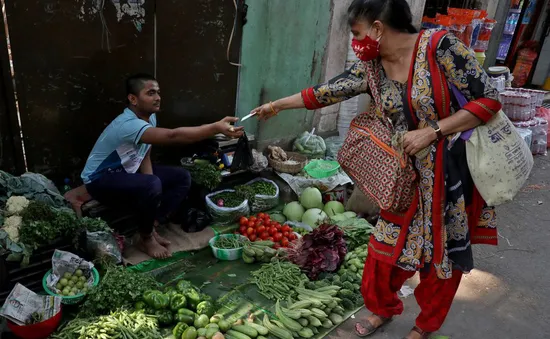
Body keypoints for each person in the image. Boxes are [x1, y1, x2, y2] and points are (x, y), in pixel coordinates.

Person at [251, 0, 501, 338]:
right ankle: (383, 308)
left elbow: (487, 100)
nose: (356, 43)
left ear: (378, 28)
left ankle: (425, 326)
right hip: (400, 177)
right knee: (383, 249)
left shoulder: (441, 47)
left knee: (439, 258)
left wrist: (434, 130)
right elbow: (325, 93)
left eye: (357, 33)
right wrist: (275, 106)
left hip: (448, 174)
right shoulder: (372, 66)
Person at [81, 73, 244, 259]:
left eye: (158, 92)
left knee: (181, 178)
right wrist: (215, 127)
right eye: (150, 93)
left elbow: (144, 155)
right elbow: (172, 136)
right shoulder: (128, 124)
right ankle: (146, 238)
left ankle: (151, 227)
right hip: (100, 180)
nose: (157, 97)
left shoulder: (149, 118)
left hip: (128, 171)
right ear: (133, 99)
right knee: (152, 184)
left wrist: (151, 185)